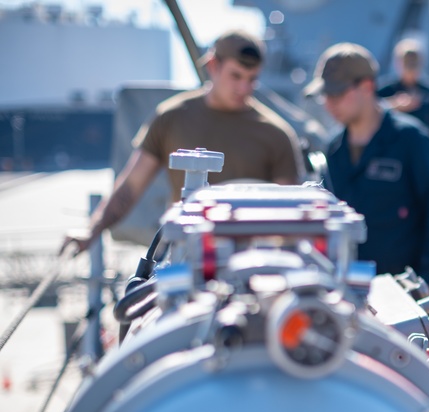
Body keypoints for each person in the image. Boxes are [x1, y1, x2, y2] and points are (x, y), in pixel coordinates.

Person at [68, 29, 305, 252]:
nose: (244, 87)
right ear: (213, 65)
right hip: (182, 257)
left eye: (252, 79)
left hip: (250, 265)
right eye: (236, 76)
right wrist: (91, 231)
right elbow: (130, 187)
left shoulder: (277, 134)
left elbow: (288, 214)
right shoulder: (170, 118)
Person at [305, 42, 429, 288]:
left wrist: (427, 281)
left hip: (400, 293)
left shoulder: (412, 141)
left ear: (366, 87)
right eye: (325, 95)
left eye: (337, 93)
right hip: (344, 289)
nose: (328, 103)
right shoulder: (333, 149)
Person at [377, 38, 429, 146]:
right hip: (392, 146)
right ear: (398, 63)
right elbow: (371, 109)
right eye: (407, 63)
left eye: (414, 63)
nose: (411, 69)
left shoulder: (428, 93)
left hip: (420, 147)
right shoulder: (387, 90)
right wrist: (394, 105)